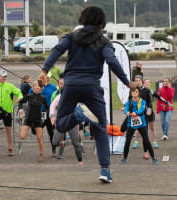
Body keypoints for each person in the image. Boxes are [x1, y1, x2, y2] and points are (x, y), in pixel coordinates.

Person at [39, 6, 137, 183]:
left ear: (83, 19)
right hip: (92, 87)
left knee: (60, 125)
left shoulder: (71, 37)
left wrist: (45, 70)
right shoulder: (104, 41)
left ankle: (77, 115)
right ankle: (105, 170)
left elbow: (56, 50)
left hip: (70, 86)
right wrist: (126, 82)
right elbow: (111, 61)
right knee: (100, 129)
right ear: (101, 22)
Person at [0, 70, 23, 156]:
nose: (4, 78)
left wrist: (20, 98)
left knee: (9, 131)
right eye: (3, 77)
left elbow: (18, 92)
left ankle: (10, 148)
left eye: (5, 77)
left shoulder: (10, 86)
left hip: (7, 111)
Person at [119, 87, 158, 166]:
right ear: (131, 93)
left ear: (139, 93)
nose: (134, 93)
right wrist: (126, 112)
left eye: (136, 91)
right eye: (133, 91)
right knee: (127, 142)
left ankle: (154, 158)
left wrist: (135, 113)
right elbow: (126, 109)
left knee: (146, 141)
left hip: (141, 123)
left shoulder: (142, 101)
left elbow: (141, 110)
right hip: (131, 124)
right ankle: (124, 159)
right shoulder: (129, 102)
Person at [18, 80, 49, 162]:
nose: (36, 88)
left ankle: (41, 154)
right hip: (28, 119)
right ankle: (27, 126)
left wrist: (45, 115)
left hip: (38, 120)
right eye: (35, 86)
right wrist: (21, 109)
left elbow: (47, 108)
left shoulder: (43, 98)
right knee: (22, 136)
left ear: (41, 89)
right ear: (33, 87)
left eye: (38, 87)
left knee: (39, 138)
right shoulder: (29, 96)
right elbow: (20, 102)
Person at [29, 74, 58, 157]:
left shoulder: (53, 87)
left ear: (50, 78)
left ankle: (54, 149)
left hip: (48, 112)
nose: (47, 79)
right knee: (35, 131)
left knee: (51, 131)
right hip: (38, 112)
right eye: (45, 78)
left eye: (48, 78)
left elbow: (58, 95)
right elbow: (31, 92)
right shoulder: (38, 85)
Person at [143, 79, 171, 148]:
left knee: (152, 127)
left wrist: (166, 102)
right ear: (143, 84)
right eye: (146, 82)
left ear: (150, 84)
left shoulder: (151, 91)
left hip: (150, 112)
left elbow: (159, 97)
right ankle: (141, 142)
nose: (147, 83)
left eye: (148, 82)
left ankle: (155, 142)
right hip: (143, 112)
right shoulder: (141, 91)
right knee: (143, 128)